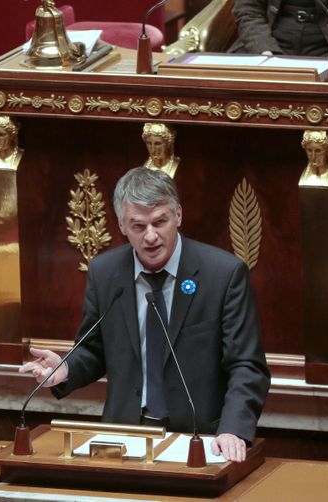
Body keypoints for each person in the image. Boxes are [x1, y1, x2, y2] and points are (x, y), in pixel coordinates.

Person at [20, 167, 270, 462]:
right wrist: (66, 368)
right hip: (124, 438)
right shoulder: (106, 272)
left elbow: (246, 365)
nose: (150, 236)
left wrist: (233, 430)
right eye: (138, 226)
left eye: (159, 222)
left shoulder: (223, 275)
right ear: (122, 226)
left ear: (178, 215)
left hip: (198, 438)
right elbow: (95, 348)